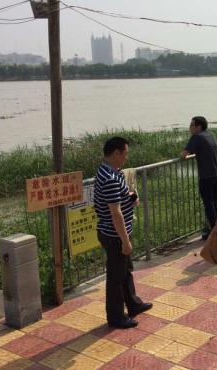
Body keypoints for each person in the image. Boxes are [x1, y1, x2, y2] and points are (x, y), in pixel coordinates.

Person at [94, 136, 152, 329]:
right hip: (115, 235)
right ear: (116, 153)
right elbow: (115, 213)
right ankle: (116, 317)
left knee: (125, 271)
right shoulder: (110, 178)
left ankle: (133, 304)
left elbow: (117, 200)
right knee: (116, 278)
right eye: (125, 153)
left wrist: (130, 198)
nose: (126, 157)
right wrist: (125, 241)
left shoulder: (111, 171)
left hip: (118, 233)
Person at [181, 116, 217, 239]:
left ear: (199, 127)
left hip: (207, 175)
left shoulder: (197, 137)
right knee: (215, 201)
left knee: (208, 203)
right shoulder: (210, 134)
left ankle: (214, 232)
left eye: (191, 125)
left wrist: (183, 154)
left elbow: (183, 155)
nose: (189, 128)